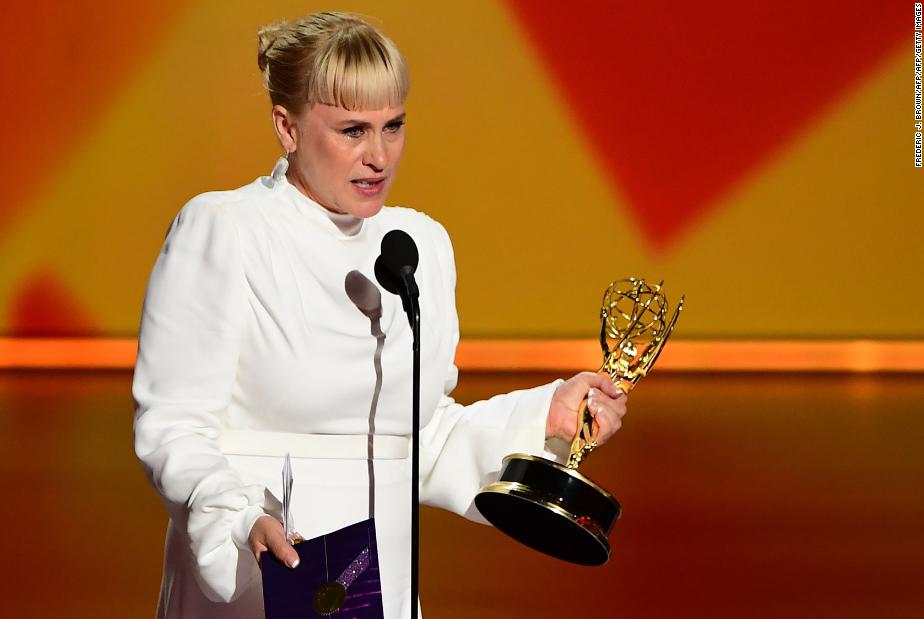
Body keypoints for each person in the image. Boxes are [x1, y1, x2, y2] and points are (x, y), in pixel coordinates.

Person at [132, 12, 627, 618]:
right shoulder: (226, 230)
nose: (378, 155)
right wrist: (238, 518)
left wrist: (542, 418)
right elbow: (173, 427)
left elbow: (417, 438)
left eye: (393, 126)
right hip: (263, 573)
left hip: (378, 582)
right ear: (287, 127)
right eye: (352, 130)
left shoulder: (418, 245)